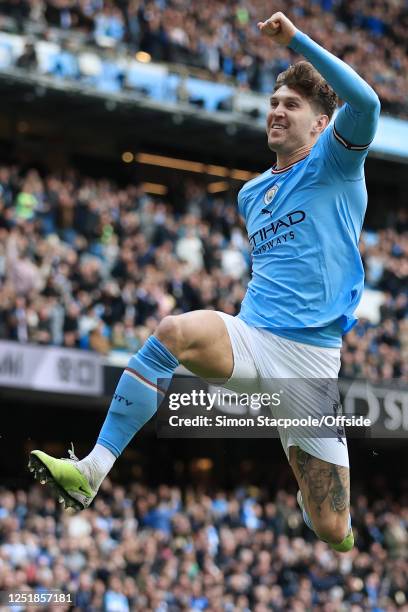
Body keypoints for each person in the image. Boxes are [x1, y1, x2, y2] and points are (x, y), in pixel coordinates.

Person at [29, 12, 380, 554]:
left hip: (311, 364)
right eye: (274, 103)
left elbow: (369, 105)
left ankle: (321, 504)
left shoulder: (336, 161)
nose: (277, 112)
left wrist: (296, 41)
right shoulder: (251, 194)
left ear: (320, 123)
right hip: (253, 336)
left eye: (292, 105)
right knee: (172, 330)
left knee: (331, 529)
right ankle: (92, 469)